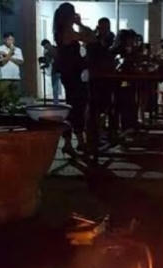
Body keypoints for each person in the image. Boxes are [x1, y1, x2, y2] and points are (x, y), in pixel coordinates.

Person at [53, 2, 95, 155]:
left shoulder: (61, 30)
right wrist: (80, 23)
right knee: (76, 106)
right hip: (72, 74)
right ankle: (74, 142)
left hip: (70, 73)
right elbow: (91, 38)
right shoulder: (67, 31)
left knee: (74, 106)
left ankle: (72, 142)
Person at [41, 39, 61, 104]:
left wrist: (45, 55)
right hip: (60, 69)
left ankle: (56, 103)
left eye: (44, 46)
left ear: (47, 44)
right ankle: (56, 102)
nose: (44, 47)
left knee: (55, 87)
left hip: (56, 70)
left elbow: (48, 62)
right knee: (56, 87)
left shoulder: (49, 50)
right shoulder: (56, 48)